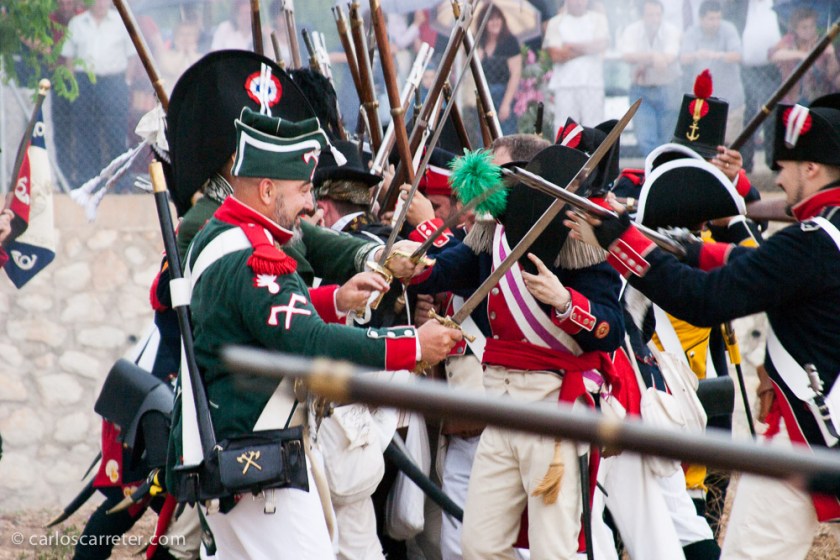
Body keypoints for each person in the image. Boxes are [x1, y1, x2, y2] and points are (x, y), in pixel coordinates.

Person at [166, 107, 462, 559]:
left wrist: (335, 300)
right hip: (254, 455)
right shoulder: (255, 257)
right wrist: (413, 344)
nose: (311, 202)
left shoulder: (221, 233)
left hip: (237, 447)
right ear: (267, 190)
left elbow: (259, 320)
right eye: (303, 189)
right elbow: (311, 343)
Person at [565, 93, 840, 560]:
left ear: (811, 168)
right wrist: (684, 246)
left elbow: (705, 301)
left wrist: (623, 243)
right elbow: (757, 263)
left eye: (785, 166)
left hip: (809, 436)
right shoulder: (823, 235)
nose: (776, 178)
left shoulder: (811, 241)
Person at [60, 0, 134, 185]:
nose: (101, 3)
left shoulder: (122, 21)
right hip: (85, 82)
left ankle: (121, 182)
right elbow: (69, 57)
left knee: (115, 132)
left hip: (113, 81)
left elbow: (132, 55)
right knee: (85, 131)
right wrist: (74, 84)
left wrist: (127, 82)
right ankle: (89, 180)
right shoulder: (77, 23)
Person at [619, 0, 681, 158]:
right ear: (642, 16)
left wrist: (642, 62)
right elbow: (627, 55)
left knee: (668, 140)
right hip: (641, 91)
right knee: (646, 139)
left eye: (657, 15)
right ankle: (653, 171)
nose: (654, 19)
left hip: (668, 89)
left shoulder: (671, 31)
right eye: (650, 15)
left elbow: (669, 57)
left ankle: (664, 173)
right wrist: (653, 56)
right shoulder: (632, 30)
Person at [679, 0, 744, 146]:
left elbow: (738, 55)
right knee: (703, 143)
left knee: (728, 146)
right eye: (711, 19)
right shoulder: (692, 32)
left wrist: (718, 55)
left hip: (730, 99)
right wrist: (697, 54)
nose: (715, 22)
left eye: (718, 18)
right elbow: (683, 58)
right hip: (703, 102)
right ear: (701, 18)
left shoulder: (728, 29)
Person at [543, 0, 609, 135]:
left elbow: (601, 45)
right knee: (564, 128)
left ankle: (595, 157)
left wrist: (571, 46)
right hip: (565, 85)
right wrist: (588, 48)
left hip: (592, 84)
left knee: (594, 126)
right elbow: (556, 55)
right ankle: (563, 156)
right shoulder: (556, 22)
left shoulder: (598, 19)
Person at [738, 0, 781, 173]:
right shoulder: (740, 6)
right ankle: (746, 163)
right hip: (746, 68)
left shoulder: (777, 6)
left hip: (772, 69)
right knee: (749, 115)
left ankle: (772, 161)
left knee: (771, 114)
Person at [770, 8, 840, 106]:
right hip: (792, 96)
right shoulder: (789, 40)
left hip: (818, 96)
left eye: (812, 26)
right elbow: (773, 55)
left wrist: (831, 55)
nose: (809, 30)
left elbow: (833, 74)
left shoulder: (822, 42)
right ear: (796, 28)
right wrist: (802, 55)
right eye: (804, 27)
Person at [475, 3, 522, 136]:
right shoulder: (479, 42)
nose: (495, 22)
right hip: (484, 95)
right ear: (484, 22)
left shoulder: (510, 42)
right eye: (491, 19)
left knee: (505, 137)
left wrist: (506, 104)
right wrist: (477, 58)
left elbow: (515, 74)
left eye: (498, 18)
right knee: (485, 137)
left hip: (504, 93)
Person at [158, 21, 203, 95]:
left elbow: (200, 73)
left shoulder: (200, 57)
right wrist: (181, 52)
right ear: (175, 36)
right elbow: (172, 70)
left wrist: (191, 53)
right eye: (182, 34)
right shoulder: (166, 56)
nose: (185, 38)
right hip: (171, 96)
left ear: (196, 37)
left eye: (189, 35)